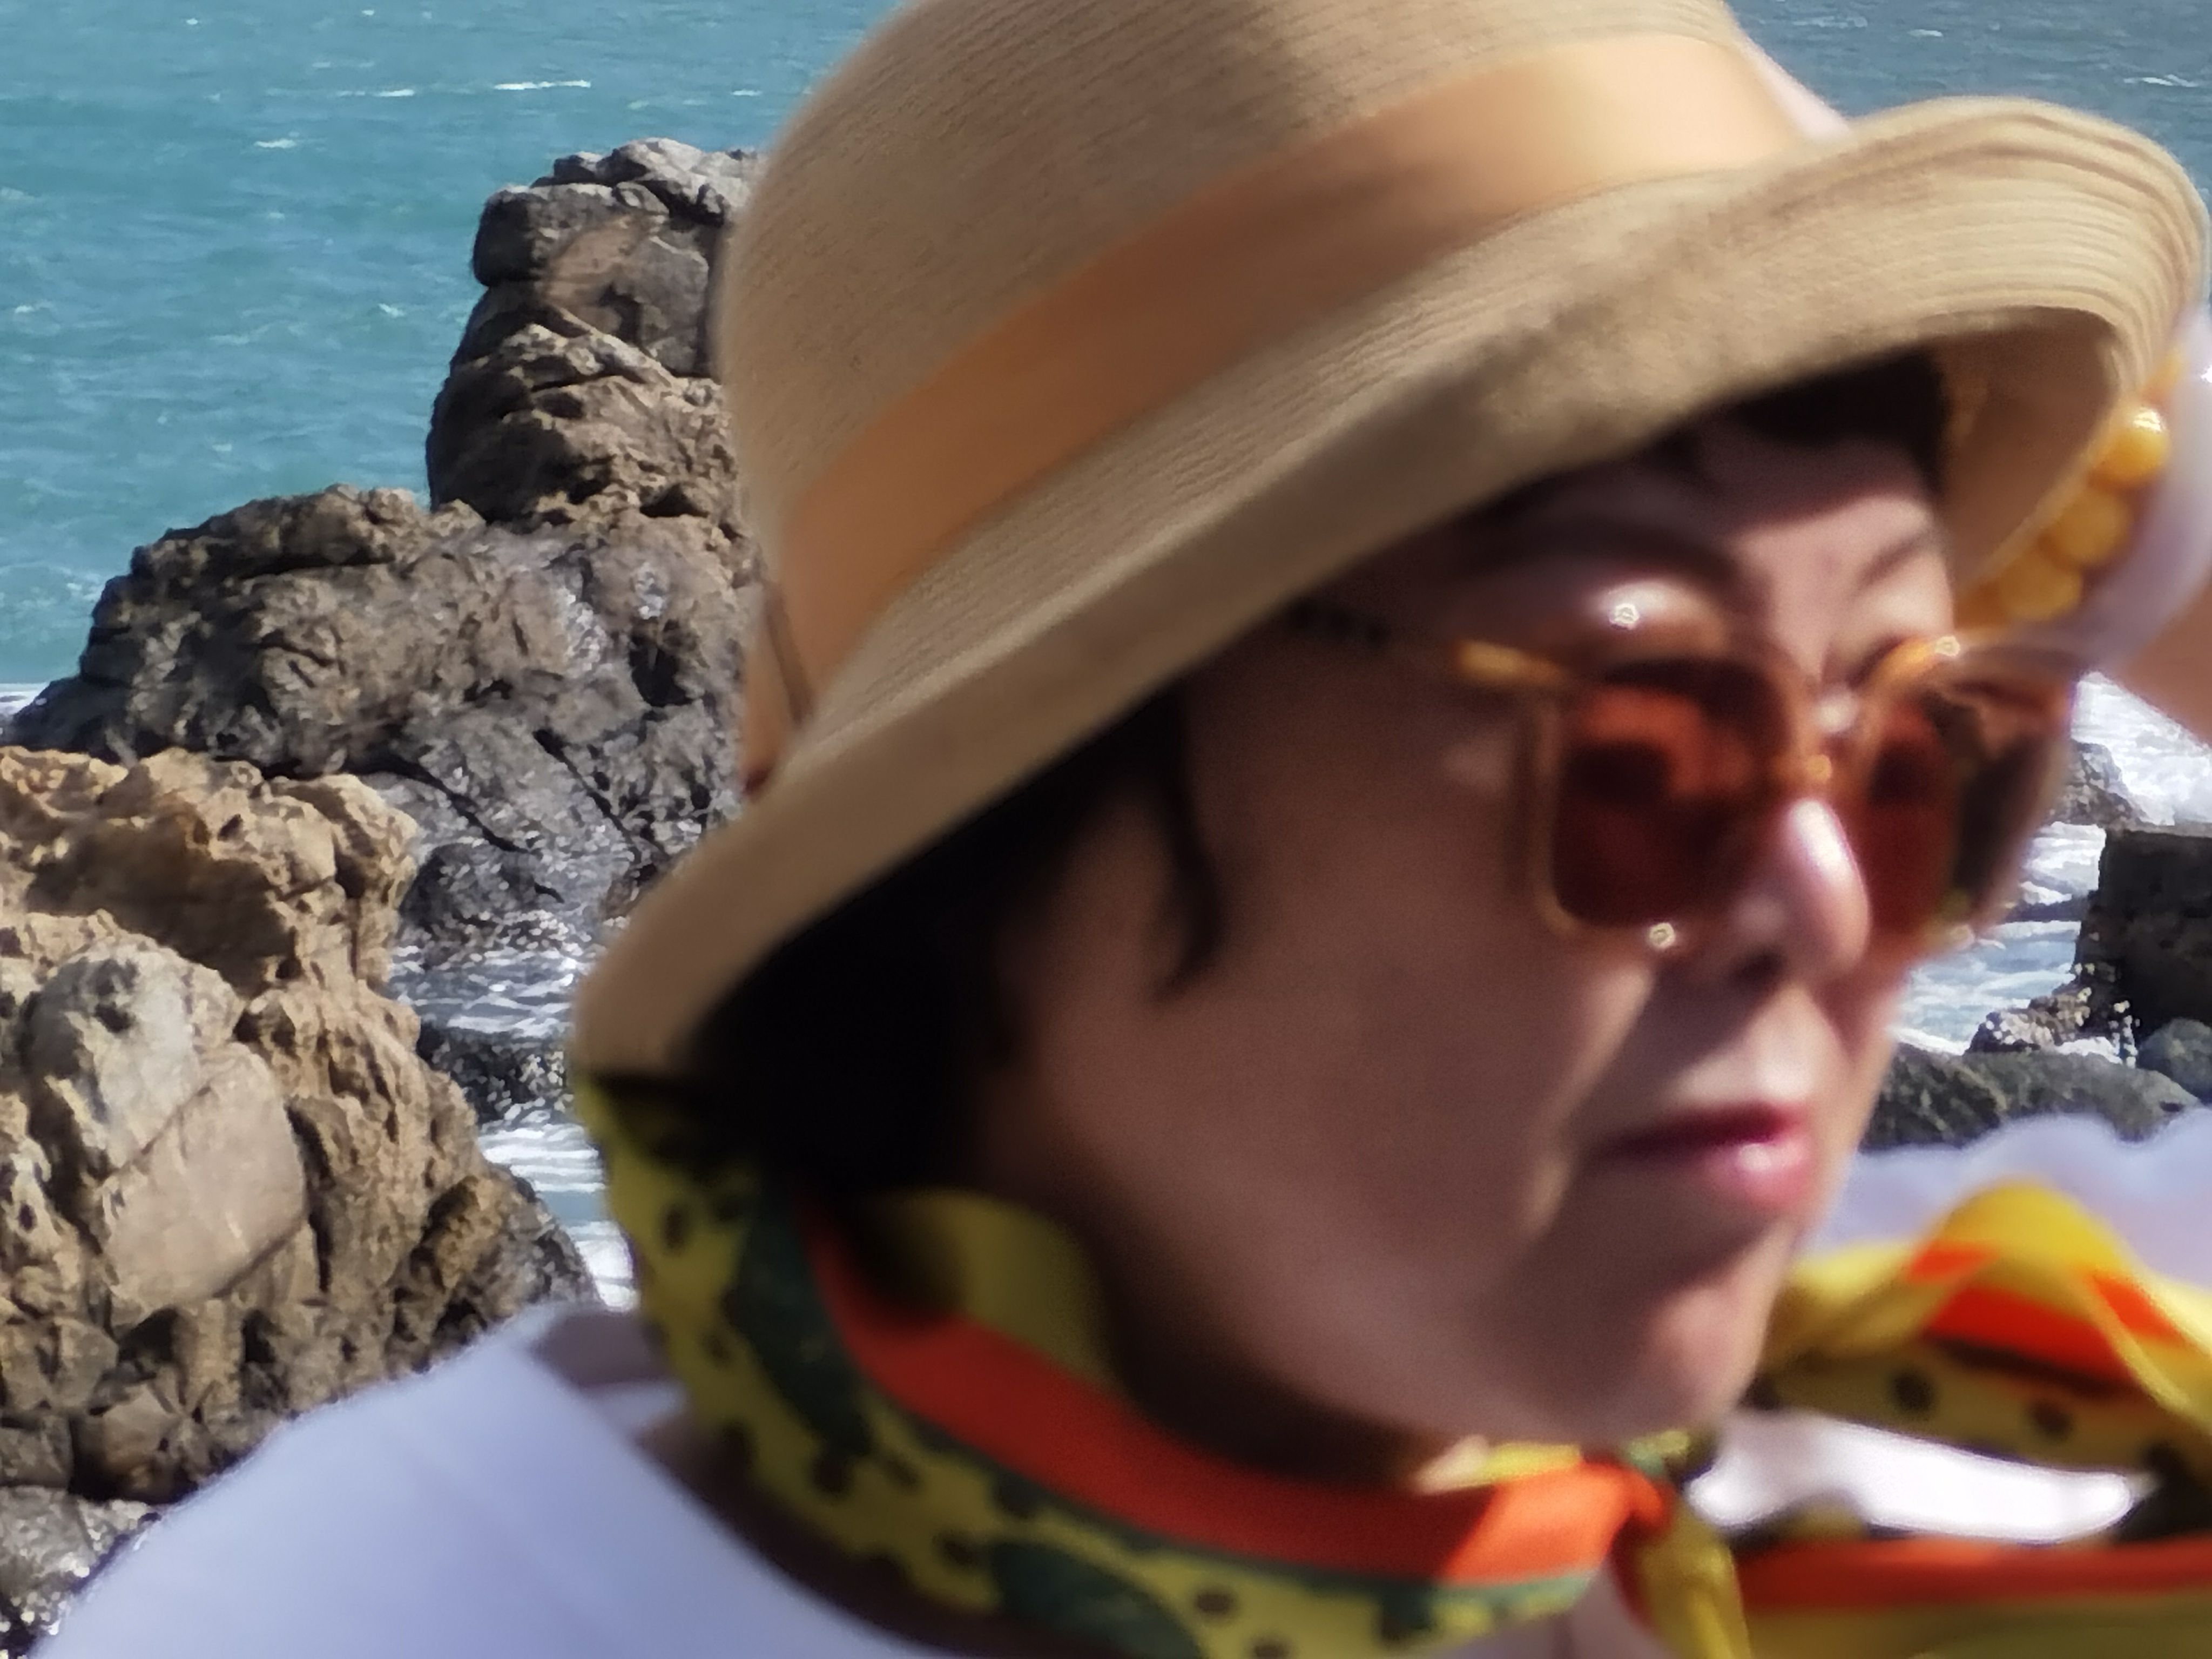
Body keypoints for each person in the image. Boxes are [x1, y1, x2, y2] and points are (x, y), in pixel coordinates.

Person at [47, 0, 2212, 1653]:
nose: (1830, 907)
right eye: (1643, 753)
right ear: (1000, 804)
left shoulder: (1977, 1421)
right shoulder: (417, 1613)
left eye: (1929, 763)